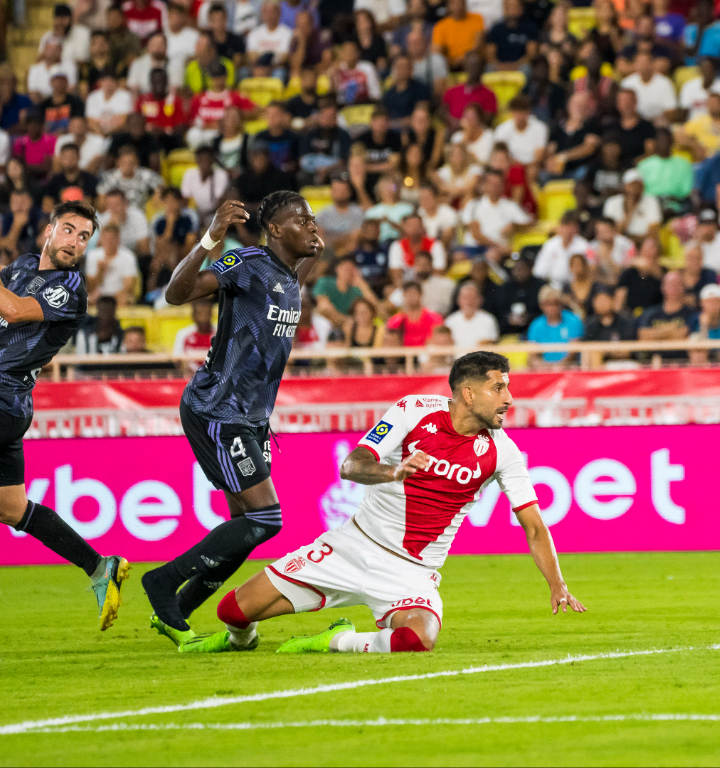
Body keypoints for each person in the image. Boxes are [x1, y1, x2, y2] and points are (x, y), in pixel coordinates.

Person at [176, 351, 584, 654]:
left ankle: (336, 640)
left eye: (507, 387)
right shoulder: (413, 411)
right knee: (232, 612)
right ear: (468, 392)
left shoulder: (503, 452)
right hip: (351, 546)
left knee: (418, 639)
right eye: (499, 388)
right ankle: (241, 641)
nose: (509, 398)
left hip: (412, 572)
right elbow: (352, 465)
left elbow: (534, 526)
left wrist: (558, 584)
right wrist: (394, 472)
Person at [144, 193, 326, 645]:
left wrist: (315, 243)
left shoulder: (289, 275)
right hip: (218, 409)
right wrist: (211, 237)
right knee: (267, 517)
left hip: (252, 419)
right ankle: (163, 581)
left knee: (244, 528)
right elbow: (175, 294)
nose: (312, 226)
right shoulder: (247, 263)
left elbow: (300, 266)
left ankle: (179, 610)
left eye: (313, 218)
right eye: (302, 220)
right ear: (276, 230)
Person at [0, 200, 130, 631]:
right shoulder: (29, 266)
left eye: (83, 237)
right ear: (49, 231)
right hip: (1, 404)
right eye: (68, 230)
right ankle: (99, 565)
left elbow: (12, 308)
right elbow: (1, 275)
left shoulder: (70, 288)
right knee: (10, 509)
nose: (75, 242)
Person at [445, 280, 500, 347]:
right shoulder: (450, 321)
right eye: (465, 298)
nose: (469, 302)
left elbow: (491, 345)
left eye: (472, 298)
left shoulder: (489, 320)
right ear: (458, 300)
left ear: (480, 300)